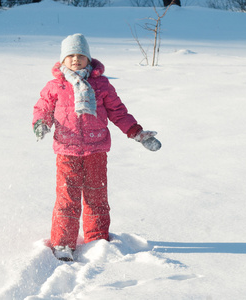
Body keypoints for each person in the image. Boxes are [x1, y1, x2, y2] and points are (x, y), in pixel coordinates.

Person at [32, 33, 161, 261]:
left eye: (80, 55)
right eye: (70, 56)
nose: (75, 59)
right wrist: (41, 124)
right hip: (66, 151)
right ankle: (63, 243)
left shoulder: (101, 85)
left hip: (96, 150)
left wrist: (137, 133)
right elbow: (43, 108)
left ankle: (98, 239)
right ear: (62, 60)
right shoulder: (55, 86)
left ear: (88, 59)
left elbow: (117, 111)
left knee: (96, 197)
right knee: (67, 198)